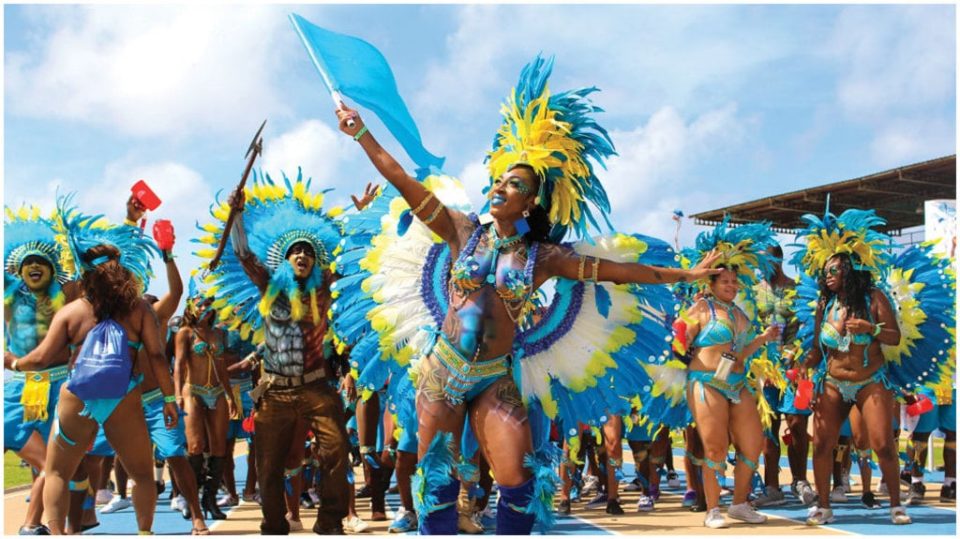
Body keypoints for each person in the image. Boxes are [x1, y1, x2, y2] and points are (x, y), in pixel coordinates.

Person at [334, 55, 719, 534]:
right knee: (436, 479)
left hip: (496, 375)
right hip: (444, 370)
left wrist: (684, 276)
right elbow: (401, 180)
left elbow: (620, 272)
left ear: (530, 201)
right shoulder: (461, 230)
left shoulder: (544, 257)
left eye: (514, 184)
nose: (500, 186)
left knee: (516, 478)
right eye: (499, 179)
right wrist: (360, 132)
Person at [194, 169, 375, 535]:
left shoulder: (324, 286)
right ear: (286, 259)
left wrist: (360, 218)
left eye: (309, 251)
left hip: (317, 387)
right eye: (297, 251)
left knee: (337, 455)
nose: (303, 255)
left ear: (315, 261)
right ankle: (274, 525)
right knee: (269, 466)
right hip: (274, 391)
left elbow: (354, 259)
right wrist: (238, 214)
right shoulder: (268, 284)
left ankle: (329, 523)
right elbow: (243, 253)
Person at [5, 198, 175, 535]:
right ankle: (144, 532)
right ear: (121, 267)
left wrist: (13, 361)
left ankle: (55, 533)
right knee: (142, 474)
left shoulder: (72, 311)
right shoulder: (139, 309)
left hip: (76, 396)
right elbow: (156, 357)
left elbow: (40, 358)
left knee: (56, 472)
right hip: (123, 395)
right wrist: (169, 400)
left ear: (85, 272)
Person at [792, 208, 953, 525]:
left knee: (881, 443)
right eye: (826, 271)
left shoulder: (873, 297)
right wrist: (802, 368)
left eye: (834, 270)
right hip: (832, 381)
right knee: (823, 444)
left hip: (870, 381)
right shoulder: (825, 304)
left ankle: (896, 504)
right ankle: (824, 506)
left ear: (850, 270)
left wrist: (871, 329)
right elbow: (815, 349)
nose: (828, 275)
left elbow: (893, 337)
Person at [675, 219, 780, 528]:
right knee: (715, 447)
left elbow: (741, 354)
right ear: (711, 284)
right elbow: (680, 342)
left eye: (735, 283)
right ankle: (712, 509)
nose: (731, 287)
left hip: (736, 383)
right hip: (705, 383)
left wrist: (763, 339)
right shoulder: (701, 308)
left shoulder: (740, 314)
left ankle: (739, 504)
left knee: (752, 445)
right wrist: (681, 336)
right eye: (725, 283)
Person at [4, 206, 79, 535]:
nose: (34, 266)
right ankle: (33, 526)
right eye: (27, 262)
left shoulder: (67, 296)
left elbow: (87, 267)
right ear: (17, 270)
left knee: (52, 467)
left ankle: (44, 526)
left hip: (61, 388)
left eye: (41, 261)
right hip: (21, 387)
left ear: (53, 268)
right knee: (51, 465)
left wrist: (132, 221)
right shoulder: (9, 300)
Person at [752, 244, 816, 508]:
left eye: (767, 260)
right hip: (763, 368)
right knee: (768, 429)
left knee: (798, 423)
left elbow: (807, 326)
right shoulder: (752, 292)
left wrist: (795, 358)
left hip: (795, 367)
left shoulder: (797, 289)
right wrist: (760, 365)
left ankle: (799, 480)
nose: (762, 266)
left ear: (779, 259)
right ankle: (771, 486)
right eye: (759, 261)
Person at [175, 291, 239, 521]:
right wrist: (176, 395)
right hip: (193, 391)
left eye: (208, 306)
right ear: (191, 308)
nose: (204, 309)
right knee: (195, 446)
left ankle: (209, 500)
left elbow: (221, 368)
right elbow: (179, 365)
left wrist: (230, 396)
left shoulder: (219, 334)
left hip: (217, 392)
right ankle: (190, 499)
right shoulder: (185, 333)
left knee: (220, 448)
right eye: (200, 305)